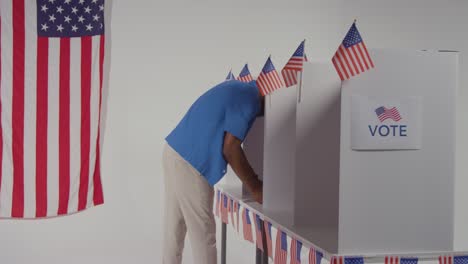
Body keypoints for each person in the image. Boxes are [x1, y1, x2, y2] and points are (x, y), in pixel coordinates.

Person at [162, 79, 264, 264]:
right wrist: (256, 186)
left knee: (174, 228)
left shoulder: (238, 88)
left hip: (173, 152)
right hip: (190, 162)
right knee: (203, 233)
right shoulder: (251, 99)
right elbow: (230, 148)